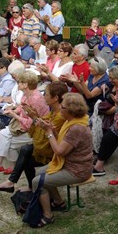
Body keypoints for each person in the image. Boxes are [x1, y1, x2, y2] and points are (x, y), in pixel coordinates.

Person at [0, 81, 68, 192]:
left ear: (55, 98)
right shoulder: (54, 111)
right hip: (50, 144)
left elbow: (44, 132)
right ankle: (15, 183)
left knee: (26, 152)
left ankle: (14, 183)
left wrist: (34, 117)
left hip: (54, 149)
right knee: (25, 151)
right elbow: (41, 125)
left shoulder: (61, 114)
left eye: (46, 94)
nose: (43, 96)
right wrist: (34, 116)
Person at [33, 93, 93, 226]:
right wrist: (53, 131)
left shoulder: (77, 128)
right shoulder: (72, 121)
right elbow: (63, 143)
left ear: (71, 110)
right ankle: (59, 202)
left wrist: (48, 132)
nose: (60, 108)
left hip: (77, 170)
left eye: (63, 106)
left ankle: (48, 216)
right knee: (38, 174)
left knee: (37, 182)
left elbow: (59, 151)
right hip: (69, 164)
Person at [0, 72, 49, 176]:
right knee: (3, 133)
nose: (17, 84)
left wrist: (15, 115)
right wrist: (14, 110)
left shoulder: (35, 99)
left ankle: (7, 165)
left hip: (36, 130)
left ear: (25, 84)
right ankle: (0, 164)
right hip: (24, 125)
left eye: (20, 82)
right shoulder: (27, 94)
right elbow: (22, 108)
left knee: (8, 141)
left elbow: (32, 123)